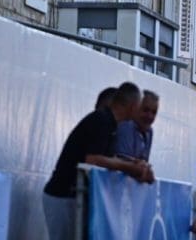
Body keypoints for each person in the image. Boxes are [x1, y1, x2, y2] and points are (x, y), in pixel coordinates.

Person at [43, 81, 153, 240]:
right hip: (62, 195)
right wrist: (129, 167)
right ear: (133, 106)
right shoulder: (102, 121)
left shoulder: (111, 124)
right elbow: (93, 159)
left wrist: (133, 164)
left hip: (71, 196)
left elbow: (109, 159)